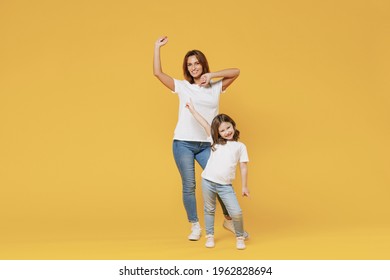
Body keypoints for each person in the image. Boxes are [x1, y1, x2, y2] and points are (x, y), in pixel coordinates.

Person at [153, 35, 245, 241]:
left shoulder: (215, 88)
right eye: (190, 64)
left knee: (220, 181)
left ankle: (229, 219)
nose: (194, 67)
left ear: (203, 64)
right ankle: (195, 226)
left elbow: (236, 72)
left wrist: (212, 75)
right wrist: (156, 47)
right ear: (187, 68)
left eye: (197, 63)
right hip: (183, 143)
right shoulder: (182, 86)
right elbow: (157, 73)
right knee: (189, 185)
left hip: (207, 145)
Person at [185, 100, 250, 249]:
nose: (227, 131)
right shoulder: (215, 142)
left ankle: (240, 237)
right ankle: (210, 236)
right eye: (222, 130)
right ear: (217, 133)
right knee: (209, 209)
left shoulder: (240, 146)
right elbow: (205, 124)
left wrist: (245, 186)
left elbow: (244, 167)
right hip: (208, 181)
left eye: (228, 127)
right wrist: (193, 110)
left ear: (233, 125)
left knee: (236, 212)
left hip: (225, 186)